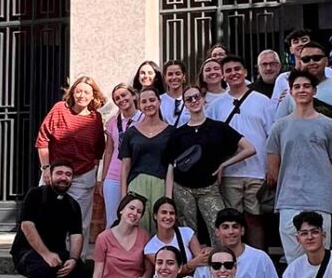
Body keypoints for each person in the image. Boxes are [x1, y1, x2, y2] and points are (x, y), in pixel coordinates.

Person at [275, 43, 332, 263]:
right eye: (306, 59)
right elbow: (278, 134)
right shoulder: (290, 95)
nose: (312, 62)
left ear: (326, 60)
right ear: (299, 62)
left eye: (317, 57)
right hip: (300, 178)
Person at [265, 70, 332, 263]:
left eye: (306, 86)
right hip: (288, 200)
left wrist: (320, 183)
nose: (302, 90)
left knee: (319, 258)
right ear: (291, 92)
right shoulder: (279, 126)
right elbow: (272, 168)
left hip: (320, 200)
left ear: (314, 91)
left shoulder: (329, 126)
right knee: (294, 259)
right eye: (297, 86)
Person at [163, 86, 256, 243]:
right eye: (189, 99)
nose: (194, 101)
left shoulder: (218, 128)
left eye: (196, 97)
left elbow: (250, 148)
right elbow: (171, 166)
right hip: (183, 188)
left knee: (219, 230)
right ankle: (192, 265)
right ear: (185, 104)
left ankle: (220, 262)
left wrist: (223, 165)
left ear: (203, 99)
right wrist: (168, 198)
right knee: (188, 233)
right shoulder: (178, 133)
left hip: (209, 188)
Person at [10, 161, 89, 278]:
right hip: (27, 253)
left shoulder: (72, 205)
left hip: (57, 255)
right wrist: (46, 254)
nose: (64, 178)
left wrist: (73, 260)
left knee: (83, 271)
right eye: (59, 173)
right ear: (50, 176)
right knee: (41, 268)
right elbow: (27, 226)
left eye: (68, 174)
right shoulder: (35, 195)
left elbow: (76, 235)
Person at [205, 56, 275, 249]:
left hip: (258, 171)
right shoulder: (216, 106)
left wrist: (272, 167)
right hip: (230, 174)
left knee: (255, 219)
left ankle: (258, 260)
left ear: (245, 72)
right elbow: (212, 143)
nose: (233, 73)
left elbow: (272, 137)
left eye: (237, 69)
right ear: (223, 75)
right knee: (231, 223)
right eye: (228, 70)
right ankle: (232, 262)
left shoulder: (263, 102)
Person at [35, 76, 106, 244]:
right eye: (78, 91)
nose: (82, 95)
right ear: (72, 93)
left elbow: (98, 150)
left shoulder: (95, 119)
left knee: (79, 223)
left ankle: (76, 261)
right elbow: (43, 140)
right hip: (55, 174)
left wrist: (93, 172)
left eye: (87, 92)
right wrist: (46, 168)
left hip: (82, 176)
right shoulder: (59, 109)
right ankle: (48, 260)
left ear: (93, 95)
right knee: (47, 219)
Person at [119, 88, 172, 233]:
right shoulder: (131, 132)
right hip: (136, 185)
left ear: (159, 102)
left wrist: (168, 197)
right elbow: (125, 167)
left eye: (152, 100)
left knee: (160, 227)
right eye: (144, 101)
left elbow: (170, 167)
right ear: (139, 105)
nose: (148, 104)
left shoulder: (171, 132)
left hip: (160, 183)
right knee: (136, 227)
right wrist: (124, 197)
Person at [102, 84, 141, 227]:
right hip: (113, 176)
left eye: (124, 95)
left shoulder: (144, 118)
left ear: (134, 96)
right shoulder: (113, 122)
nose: (121, 99)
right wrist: (104, 178)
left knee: (135, 219)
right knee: (113, 220)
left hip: (135, 176)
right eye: (117, 98)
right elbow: (109, 151)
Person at [143, 196, 207, 277]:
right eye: (164, 212)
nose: (168, 216)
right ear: (155, 215)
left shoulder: (187, 232)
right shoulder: (150, 248)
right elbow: (167, 271)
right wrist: (191, 264)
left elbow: (201, 259)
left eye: (172, 213)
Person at [271, 31, 332, 102]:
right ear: (291, 50)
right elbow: (274, 106)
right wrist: (281, 102)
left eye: (304, 40)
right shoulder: (283, 78)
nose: (300, 44)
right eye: (296, 42)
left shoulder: (328, 71)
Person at [160, 60, 190, 127]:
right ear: (165, 78)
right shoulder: (159, 100)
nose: (174, 77)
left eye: (178, 74)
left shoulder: (192, 98)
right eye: (170, 74)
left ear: (184, 76)